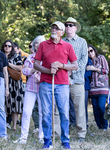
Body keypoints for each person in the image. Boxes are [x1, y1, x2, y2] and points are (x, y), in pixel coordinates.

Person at [34, 21, 78, 149]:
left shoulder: (67, 46)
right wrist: (48, 70)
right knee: (47, 112)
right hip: (46, 83)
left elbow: (75, 65)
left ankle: (65, 140)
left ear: (62, 32)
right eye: (53, 28)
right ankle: (47, 140)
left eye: (57, 29)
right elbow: (36, 64)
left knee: (64, 112)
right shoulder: (43, 45)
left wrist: (62, 66)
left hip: (63, 84)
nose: (54, 30)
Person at [13, 35, 46, 144]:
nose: (38, 45)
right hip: (31, 88)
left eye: (40, 43)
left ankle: (41, 136)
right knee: (26, 112)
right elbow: (24, 71)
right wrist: (32, 70)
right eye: (36, 43)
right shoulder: (30, 57)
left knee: (42, 113)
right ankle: (23, 138)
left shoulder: (47, 57)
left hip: (43, 88)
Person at [63, 17, 88, 141]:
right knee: (61, 107)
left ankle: (81, 134)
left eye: (71, 25)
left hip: (77, 79)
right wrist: (65, 72)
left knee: (79, 108)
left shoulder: (82, 42)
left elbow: (84, 60)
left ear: (75, 27)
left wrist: (71, 70)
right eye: (66, 25)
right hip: (61, 80)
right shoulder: (60, 42)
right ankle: (60, 133)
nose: (68, 27)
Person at [2, 40, 24, 131]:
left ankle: (14, 125)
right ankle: (6, 123)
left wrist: (8, 64)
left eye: (9, 46)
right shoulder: (1, 55)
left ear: (12, 48)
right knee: (5, 103)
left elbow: (20, 67)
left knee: (15, 104)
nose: (7, 47)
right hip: (3, 81)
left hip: (15, 83)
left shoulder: (16, 56)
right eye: (5, 45)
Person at [87, 44, 109, 131]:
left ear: (94, 50)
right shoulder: (87, 61)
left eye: (91, 51)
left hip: (102, 87)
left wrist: (93, 68)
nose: (90, 53)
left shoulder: (101, 58)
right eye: (88, 52)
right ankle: (99, 126)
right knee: (95, 108)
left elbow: (106, 71)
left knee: (101, 106)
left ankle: (105, 125)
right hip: (92, 88)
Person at [0, 48, 9, 140]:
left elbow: (6, 73)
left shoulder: (2, 55)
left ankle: (2, 134)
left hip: (0, 81)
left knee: (1, 108)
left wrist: (7, 88)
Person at [84, 57, 93, 127]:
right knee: (72, 105)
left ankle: (84, 122)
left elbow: (89, 72)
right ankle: (73, 122)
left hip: (85, 85)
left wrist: (80, 76)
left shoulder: (87, 59)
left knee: (84, 105)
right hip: (73, 83)